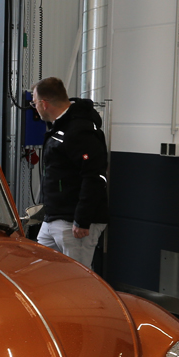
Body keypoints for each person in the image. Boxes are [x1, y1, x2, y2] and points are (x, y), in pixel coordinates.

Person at [32, 77, 109, 269]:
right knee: (40, 269)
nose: (35, 108)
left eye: (34, 103)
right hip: (53, 217)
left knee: (76, 276)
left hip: (74, 223)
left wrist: (82, 220)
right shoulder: (60, 127)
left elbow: (95, 176)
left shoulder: (79, 131)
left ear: (44, 104)